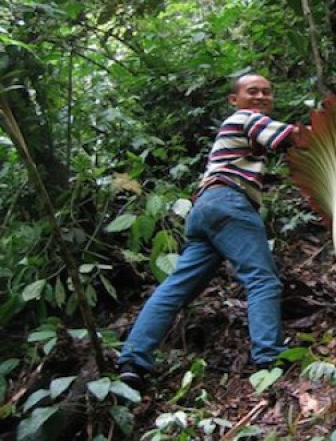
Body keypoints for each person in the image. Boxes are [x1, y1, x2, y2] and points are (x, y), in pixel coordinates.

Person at [118, 73, 297, 388]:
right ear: (234, 99)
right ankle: (270, 357)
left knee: (176, 288)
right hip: (229, 202)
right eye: (252, 91)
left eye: (267, 92)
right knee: (262, 280)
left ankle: (133, 360)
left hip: (204, 209)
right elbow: (291, 139)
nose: (261, 97)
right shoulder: (246, 118)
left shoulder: (240, 127)